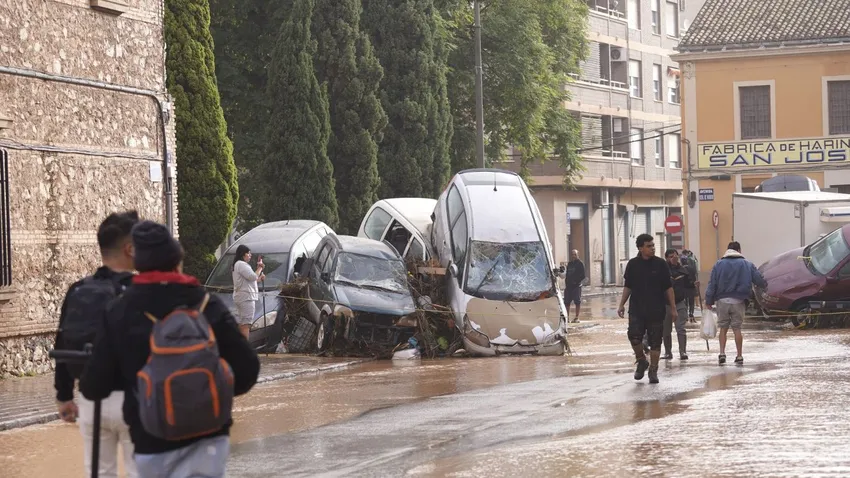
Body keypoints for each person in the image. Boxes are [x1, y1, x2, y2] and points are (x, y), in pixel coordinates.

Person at [80, 220, 260, 478]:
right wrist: (207, 393)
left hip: (152, 442)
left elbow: (94, 386)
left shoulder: (119, 310)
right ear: (178, 260)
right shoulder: (207, 304)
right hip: (209, 440)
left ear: (138, 263)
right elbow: (248, 369)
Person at [53, 210, 140, 478]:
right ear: (130, 249)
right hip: (135, 399)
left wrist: (64, 396)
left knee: (100, 473)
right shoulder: (142, 291)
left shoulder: (78, 289)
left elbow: (62, 341)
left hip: (91, 400)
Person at [617, 234, 677, 384]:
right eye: (648, 246)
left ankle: (653, 370)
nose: (652, 248)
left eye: (653, 245)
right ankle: (641, 360)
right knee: (634, 336)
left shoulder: (660, 264)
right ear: (640, 248)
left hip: (656, 309)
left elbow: (668, 288)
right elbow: (628, 286)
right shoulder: (633, 264)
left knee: (656, 341)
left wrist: (673, 308)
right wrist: (621, 304)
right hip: (637, 309)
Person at [705, 241, 766, 365]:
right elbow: (759, 280)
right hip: (739, 300)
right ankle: (739, 355)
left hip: (722, 301)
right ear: (739, 250)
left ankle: (722, 353)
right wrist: (765, 285)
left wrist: (709, 300)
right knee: (737, 328)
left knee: (723, 328)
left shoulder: (718, 264)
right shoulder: (747, 264)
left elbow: (712, 284)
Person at [663, 249, 692, 361]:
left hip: (680, 302)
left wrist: (694, 285)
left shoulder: (683, 270)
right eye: (671, 257)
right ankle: (668, 352)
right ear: (666, 258)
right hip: (666, 304)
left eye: (675, 256)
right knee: (666, 330)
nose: (674, 258)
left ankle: (682, 351)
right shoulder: (663, 271)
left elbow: (688, 285)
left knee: (681, 328)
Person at [232, 244, 265, 339]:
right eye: (248, 253)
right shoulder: (242, 264)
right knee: (246, 324)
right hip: (246, 298)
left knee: (242, 323)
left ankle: (240, 345)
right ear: (243, 254)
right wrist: (260, 268)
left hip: (241, 296)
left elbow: (248, 280)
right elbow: (252, 276)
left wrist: (259, 279)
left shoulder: (237, 264)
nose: (250, 255)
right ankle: (244, 346)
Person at [558, 249, 586, 323]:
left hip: (576, 286)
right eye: (572, 254)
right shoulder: (570, 264)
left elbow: (583, 275)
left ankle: (576, 317)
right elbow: (566, 274)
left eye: (575, 254)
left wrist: (576, 281)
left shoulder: (580, 264)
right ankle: (567, 317)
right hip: (568, 286)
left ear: (578, 255)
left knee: (577, 301)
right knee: (566, 302)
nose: (573, 256)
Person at [680, 249, 700, 322]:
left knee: (685, 302)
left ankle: (685, 315)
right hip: (691, 288)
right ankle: (691, 313)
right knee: (691, 302)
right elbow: (695, 277)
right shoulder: (691, 268)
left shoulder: (681, 269)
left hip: (684, 289)